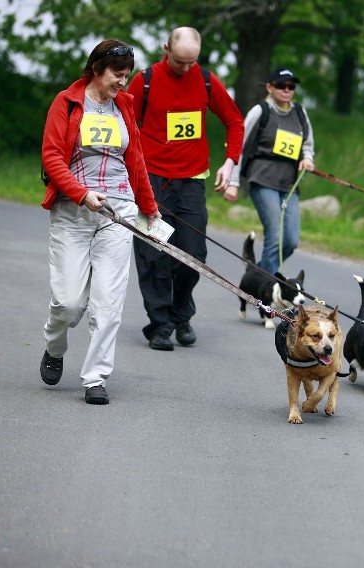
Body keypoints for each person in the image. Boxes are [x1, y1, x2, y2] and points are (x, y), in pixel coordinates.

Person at [39, 40, 161, 405]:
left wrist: (149, 208)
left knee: (108, 303)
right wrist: (81, 193)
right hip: (74, 212)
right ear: (96, 69)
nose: (122, 83)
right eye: (116, 75)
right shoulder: (67, 102)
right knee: (69, 303)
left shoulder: (123, 106)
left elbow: (135, 158)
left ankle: (95, 378)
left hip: (118, 213)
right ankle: (54, 346)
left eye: (126, 76)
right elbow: (51, 157)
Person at [127, 27, 244, 351]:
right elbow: (127, 124)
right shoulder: (145, 80)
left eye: (190, 63)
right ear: (166, 49)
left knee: (193, 255)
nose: (184, 69)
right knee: (154, 254)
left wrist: (230, 162)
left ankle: (182, 314)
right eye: (179, 62)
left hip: (192, 181)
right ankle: (160, 324)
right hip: (152, 180)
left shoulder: (206, 80)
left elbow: (235, 122)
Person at [227, 67, 315, 275]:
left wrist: (307, 158)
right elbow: (240, 145)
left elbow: (308, 145)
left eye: (291, 86)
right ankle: (268, 291)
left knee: (291, 240)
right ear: (269, 87)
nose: (286, 90)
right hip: (263, 180)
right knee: (274, 238)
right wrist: (233, 182)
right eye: (281, 85)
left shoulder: (300, 113)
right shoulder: (260, 111)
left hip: (289, 184)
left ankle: (260, 275)